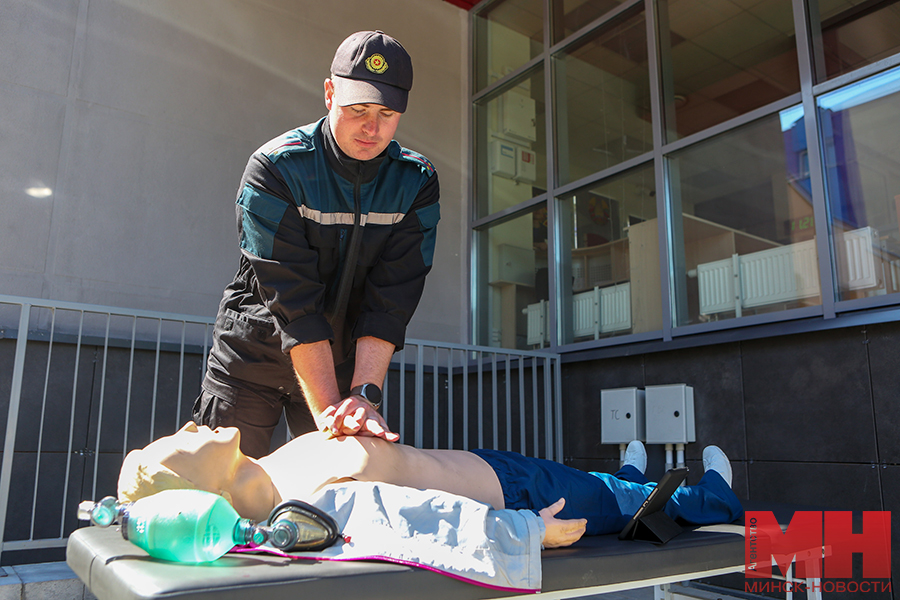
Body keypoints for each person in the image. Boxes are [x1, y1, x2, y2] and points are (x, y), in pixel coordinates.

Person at [192, 30, 440, 458]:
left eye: (387, 112)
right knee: (226, 492)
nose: (372, 126)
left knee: (335, 498)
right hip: (253, 361)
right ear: (330, 93)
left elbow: (391, 301)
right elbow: (295, 301)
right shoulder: (275, 169)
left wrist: (362, 398)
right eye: (358, 108)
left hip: (343, 368)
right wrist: (331, 415)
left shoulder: (415, 181)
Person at [118, 423, 744, 549]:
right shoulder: (309, 504)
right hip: (515, 500)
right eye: (172, 445)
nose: (187, 425)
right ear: (199, 481)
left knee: (601, 484)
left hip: (489, 467)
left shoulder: (265, 467)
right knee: (611, 502)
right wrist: (528, 533)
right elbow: (419, 525)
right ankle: (717, 495)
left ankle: (629, 478)